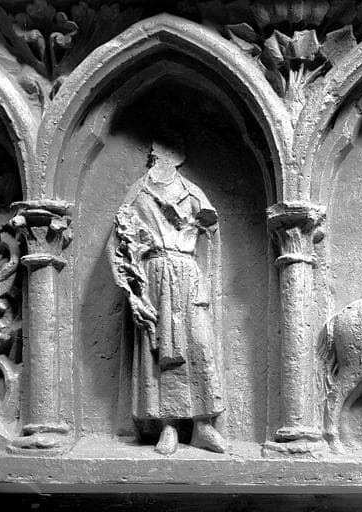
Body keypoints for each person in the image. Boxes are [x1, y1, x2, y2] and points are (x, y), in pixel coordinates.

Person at [110, 132, 226, 455]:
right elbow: (118, 244)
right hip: (155, 276)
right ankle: (169, 426)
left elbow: (211, 236)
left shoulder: (193, 192)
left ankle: (203, 424)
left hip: (187, 274)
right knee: (160, 352)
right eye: (159, 149)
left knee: (199, 345)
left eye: (171, 149)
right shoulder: (139, 192)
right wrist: (133, 293)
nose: (163, 155)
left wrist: (198, 226)